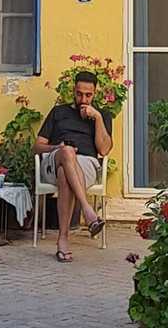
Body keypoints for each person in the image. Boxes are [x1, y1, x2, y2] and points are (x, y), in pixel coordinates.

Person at [33, 70, 113, 262]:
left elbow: (104, 150)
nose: (83, 99)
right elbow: (37, 147)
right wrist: (57, 148)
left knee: (65, 173)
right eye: (79, 94)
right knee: (67, 152)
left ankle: (62, 240)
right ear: (73, 91)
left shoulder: (102, 116)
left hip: (85, 165)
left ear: (95, 94)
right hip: (54, 158)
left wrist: (98, 119)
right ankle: (87, 209)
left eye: (88, 95)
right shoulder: (58, 112)